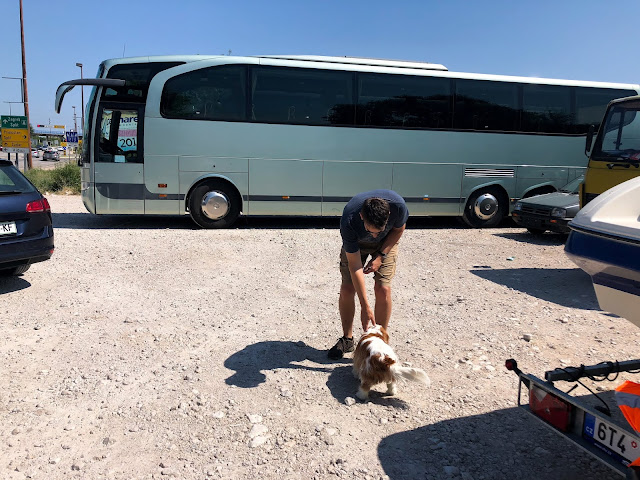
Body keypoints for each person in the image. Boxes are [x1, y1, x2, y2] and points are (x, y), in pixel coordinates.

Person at [328, 189, 409, 360]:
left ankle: (380, 343)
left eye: (378, 231)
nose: (374, 235)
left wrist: (381, 255)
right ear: (361, 216)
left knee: (383, 289)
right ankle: (347, 340)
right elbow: (355, 266)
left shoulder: (398, 207)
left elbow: (398, 229)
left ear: (388, 215)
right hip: (357, 244)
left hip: (386, 244)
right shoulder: (349, 219)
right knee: (347, 289)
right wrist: (365, 306)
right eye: (370, 230)